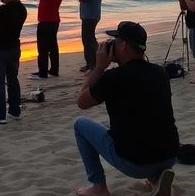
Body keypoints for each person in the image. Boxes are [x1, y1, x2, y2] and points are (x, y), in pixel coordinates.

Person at [73, 21, 178, 196]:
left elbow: (81, 102)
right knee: (124, 124)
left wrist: (99, 68)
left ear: (123, 46)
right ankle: (156, 179)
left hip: (135, 164)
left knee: (80, 125)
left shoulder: (113, 78)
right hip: (169, 156)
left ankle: (98, 187)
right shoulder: (160, 72)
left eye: (114, 40)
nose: (110, 44)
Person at [30, 0, 64, 79]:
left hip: (46, 21)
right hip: (53, 20)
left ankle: (43, 72)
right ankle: (54, 69)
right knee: (53, 47)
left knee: (43, 48)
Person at [77, 0, 103, 73]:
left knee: (88, 40)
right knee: (89, 39)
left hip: (90, 16)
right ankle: (91, 63)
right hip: (90, 15)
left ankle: (93, 64)